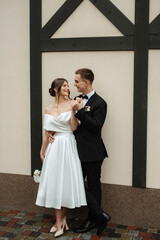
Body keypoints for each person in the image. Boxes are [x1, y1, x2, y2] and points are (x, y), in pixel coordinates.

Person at [49, 68, 111, 236]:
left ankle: (94, 218)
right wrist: (51, 134)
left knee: (94, 185)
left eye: (76, 81)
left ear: (86, 82)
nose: (74, 84)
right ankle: (100, 215)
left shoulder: (100, 103)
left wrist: (80, 110)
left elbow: (95, 126)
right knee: (74, 183)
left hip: (93, 152)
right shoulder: (75, 100)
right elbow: (63, 121)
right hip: (73, 152)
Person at [35, 78, 87, 237]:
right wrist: (42, 152)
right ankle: (60, 221)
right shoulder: (48, 108)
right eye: (64, 85)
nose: (67, 87)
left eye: (68, 85)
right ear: (56, 89)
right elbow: (46, 132)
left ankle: (59, 223)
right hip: (54, 147)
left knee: (65, 183)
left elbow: (73, 127)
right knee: (55, 183)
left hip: (68, 145)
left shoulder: (73, 103)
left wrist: (73, 110)